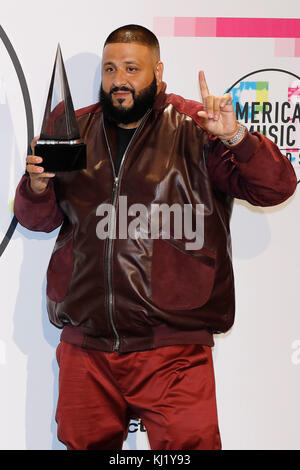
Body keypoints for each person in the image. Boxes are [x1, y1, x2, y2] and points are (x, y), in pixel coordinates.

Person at [14, 24, 297, 451]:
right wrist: (36, 186)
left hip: (174, 350)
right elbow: (37, 220)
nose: (119, 81)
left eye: (132, 68)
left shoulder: (197, 127)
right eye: (110, 70)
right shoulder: (75, 128)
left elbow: (276, 187)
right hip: (86, 348)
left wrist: (236, 138)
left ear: (158, 71)